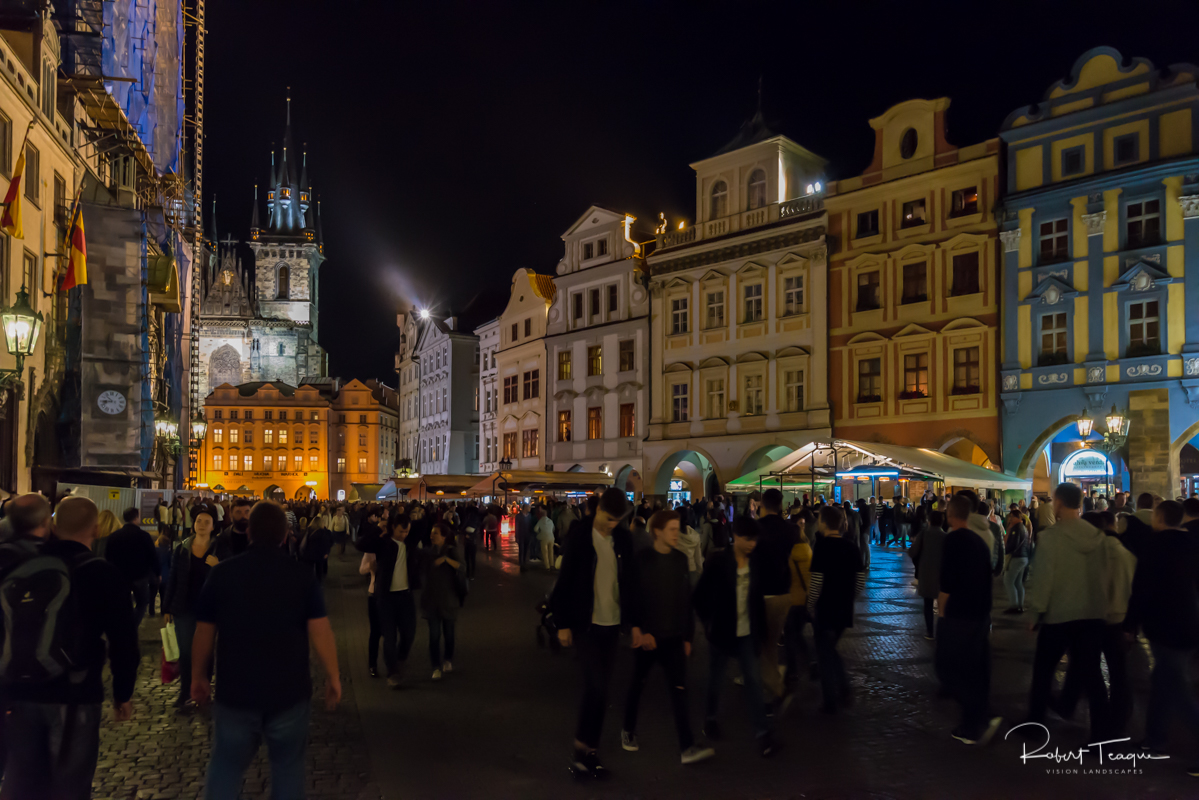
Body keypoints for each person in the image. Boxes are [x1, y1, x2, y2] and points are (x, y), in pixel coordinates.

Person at [191, 501, 339, 799]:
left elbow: (204, 631)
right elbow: (320, 630)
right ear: (285, 536)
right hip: (288, 691)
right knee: (287, 769)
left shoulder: (222, 574)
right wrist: (333, 676)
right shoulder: (301, 576)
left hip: (236, 691)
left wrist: (198, 675)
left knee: (226, 766)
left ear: (249, 533)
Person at [0, 496, 139, 800]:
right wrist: (122, 692)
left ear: (53, 524)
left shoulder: (22, 566)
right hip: (75, 695)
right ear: (95, 528)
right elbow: (123, 639)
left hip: (20, 692)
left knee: (20, 782)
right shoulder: (101, 572)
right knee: (70, 786)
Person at [549, 487, 635, 779]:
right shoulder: (580, 538)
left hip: (611, 624)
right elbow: (565, 582)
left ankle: (590, 752)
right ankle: (580, 750)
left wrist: (634, 622)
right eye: (609, 518)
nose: (612, 525)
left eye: (617, 520)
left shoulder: (623, 539)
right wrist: (561, 623)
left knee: (602, 690)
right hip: (586, 624)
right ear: (598, 510)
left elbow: (629, 584)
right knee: (595, 687)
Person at [1021, 482, 1113, 742]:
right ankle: (1102, 735)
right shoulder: (1098, 537)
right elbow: (1106, 575)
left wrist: (1036, 613)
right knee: (1093, 677)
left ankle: (1035, 724)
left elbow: (1044, 579)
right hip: (1093, 615)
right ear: (1081, 504)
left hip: (1059, 615)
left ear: (1058, 503)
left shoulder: (1051, 537)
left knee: (1043, 672)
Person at [620, 510, 714, 765]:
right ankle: (628, 729)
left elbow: (685, 599)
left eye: (677, 529)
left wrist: (687, 636)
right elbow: (632, 596)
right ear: (657, 532)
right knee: (637, 685)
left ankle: (687, 746)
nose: (677, 534)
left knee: (679, 691)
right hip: (649, 637)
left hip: (673, 636)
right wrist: (638, 628)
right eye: (672, 529)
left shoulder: (680, 559)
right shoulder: (642, 560)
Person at [1124, 500, 1199, 773]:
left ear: (1159, 517)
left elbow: (1141, 589)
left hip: (1166, 627)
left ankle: (1158, 740)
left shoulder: (1155, 546)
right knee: (1162, 682)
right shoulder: (1192, 543)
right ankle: (1154, 739)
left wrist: (1129, 624)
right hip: (1189, 623)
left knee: (1177, 689)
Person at [694, 516, 775, 757]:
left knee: (753, 682)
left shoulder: (755, 563)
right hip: (721, 632)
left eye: (755, 540)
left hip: (747, 633)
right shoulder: (719, 562)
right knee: (715, 679)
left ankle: (763, 734)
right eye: (748, 539)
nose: (752, 544)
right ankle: (710, 718)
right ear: (736, 537)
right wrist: (709, 623)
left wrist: (761, 633)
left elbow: (758, 601)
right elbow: (699, 597)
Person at [937, 494, 1003, 745]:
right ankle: (981, 715)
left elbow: (947, 583)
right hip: (980, 613)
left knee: (952, 670)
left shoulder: (953, 541)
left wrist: (942, 613)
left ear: (950, 515)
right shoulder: (980, 541)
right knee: (976, 667)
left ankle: (972, 724)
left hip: (959, 614)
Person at [806, 505, 864, 714]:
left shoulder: (821, 548)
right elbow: (860, 579)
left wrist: (810, 605)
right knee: (829, 649)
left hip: (826, 608)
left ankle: (831, 700)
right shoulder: (851, 547)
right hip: (844, 608)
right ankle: (844, 689)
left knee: (824, 654)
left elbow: (816, 583)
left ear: (823, 522)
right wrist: (850, 597)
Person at [355, 511, 422, 689]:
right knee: (389, 636)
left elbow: (425, 528)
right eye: (401, 531)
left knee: (409, 632)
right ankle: (392, 672)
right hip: (386, 597)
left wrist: (416, 515)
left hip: (405, 595)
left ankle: (399, 660)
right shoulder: (383, 543)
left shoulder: (409, 543)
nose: (404, 535)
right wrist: (377, 528)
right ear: (393, 528)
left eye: (407, 532)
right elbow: (360, 544)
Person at [163, 506, 219, 710]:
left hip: (209, 610)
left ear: (213, 526)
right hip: (184, 607)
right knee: (186, 652)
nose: (202, 525)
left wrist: (218, 566)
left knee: (207, 653)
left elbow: (229, 579)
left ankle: (204, 689)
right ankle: (185, 693)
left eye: (206, 522)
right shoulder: (182, 548)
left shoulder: (219, 549)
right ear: (193, 524)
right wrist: (167, 608)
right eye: (198, 521)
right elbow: (173, 579)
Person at [750, 488, 798, 711]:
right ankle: (775, 688)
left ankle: (778, 691)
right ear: (780, 505)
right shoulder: (790, 530)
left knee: (762, 647)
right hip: (784, 592)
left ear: (762, 504)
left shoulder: (756, 529)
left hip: (762, 594)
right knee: (772, 643)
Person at [105, 506, 161, 630]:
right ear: (136, 517)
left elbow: (108, 556)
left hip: (120, 576)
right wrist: (158, 573)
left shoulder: (114, 536)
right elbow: (153, 556)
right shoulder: (144, 536)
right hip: (139, 575)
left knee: (122, 603)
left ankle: (121, 626)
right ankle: (131, 626)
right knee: (142, 602)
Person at [422, 522, 462, 681]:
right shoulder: (427, 552)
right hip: (432, 600)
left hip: (449, 600)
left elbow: (462, 567)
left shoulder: (452, 551)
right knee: (434, 636)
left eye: (436, 533)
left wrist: (445, 560)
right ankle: (435, 666)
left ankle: (447, 660)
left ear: (444, 537)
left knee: (449, 634)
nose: (432, 536)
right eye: (432, 533)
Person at [910, 510, 947, 640]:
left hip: (926, 574)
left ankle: (930, 631)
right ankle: (943, 631)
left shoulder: (924, 534)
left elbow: (912, 551)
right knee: (943, 603)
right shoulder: (945, 536)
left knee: (928, 604)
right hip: (942, 575)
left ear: (929, 521)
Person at [1003, 510, 1032, 614]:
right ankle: (1020, 605)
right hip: (1023, 557)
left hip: (1017, 557)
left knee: (1008, 580)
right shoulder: (1023, 527)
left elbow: (1013, 544)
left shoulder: (1017, 528)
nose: (1010, 519)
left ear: (1016, 517)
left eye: (1011, 517)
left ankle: (1014, 606)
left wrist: (1005, 551)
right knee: (1018, 582)